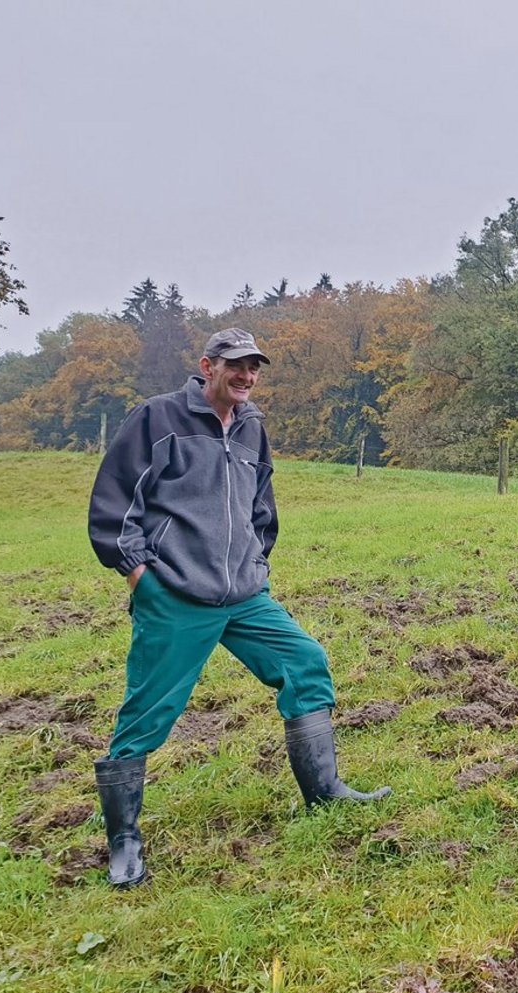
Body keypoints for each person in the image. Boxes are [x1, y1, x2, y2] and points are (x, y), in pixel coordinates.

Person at [87, 328, 390, 888]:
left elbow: (261, 506)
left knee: (305, 662)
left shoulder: (252, 427)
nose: (246, 376)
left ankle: (325, 795)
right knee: (146, 715)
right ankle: (124, 842)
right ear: (208, 366)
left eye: (254, 367)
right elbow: (113, 505)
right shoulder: (158, 419)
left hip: (246, 595)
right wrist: (141, 578)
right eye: (235, 366)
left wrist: (256, 565)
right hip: (176, 595)